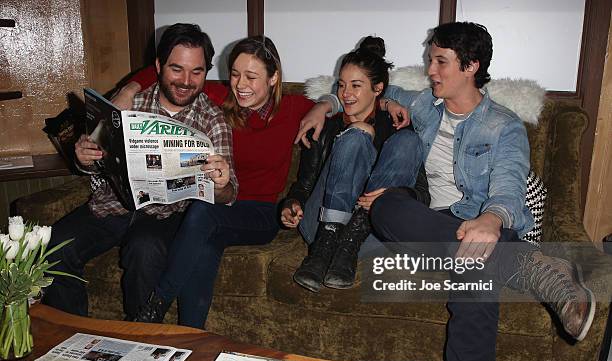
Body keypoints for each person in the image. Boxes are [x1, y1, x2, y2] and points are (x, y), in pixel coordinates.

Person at [298, 22, 595, 361]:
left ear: (471, 66)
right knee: (388, 205)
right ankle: (531, 267)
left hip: (474, 226)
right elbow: (365, 89)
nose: (430, 71)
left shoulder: (504, 125)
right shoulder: (423, 104)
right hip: (415, 224)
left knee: (475, 267)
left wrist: (491, 219)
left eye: (440, 62)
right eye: (430, 60)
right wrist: (325, 105)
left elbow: (508, 181)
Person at [113, 35, 315, 326]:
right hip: (218, 206)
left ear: (273, 78)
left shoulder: (294, 108)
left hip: (260, 213)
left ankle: (158, 303)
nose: (240, 85)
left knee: (203, 209)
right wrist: (128, 89)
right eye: (234, 74)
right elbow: (163, 73)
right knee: (204, 247)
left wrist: (324, 106)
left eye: (251, 77)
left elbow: (345, 102)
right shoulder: (220, 98)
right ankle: (191, 338)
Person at [43, 23, 237, 317]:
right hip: (112, 205)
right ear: (158, 66)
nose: (186, 81)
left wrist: (221, 185)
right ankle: (71, 332)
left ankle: (142, 341)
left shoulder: (213, 120)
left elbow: (229, 194)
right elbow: (95, 161)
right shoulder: (125, 105)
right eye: (176, 69)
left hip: (165, 214)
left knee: (145, 250)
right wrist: (84, 157)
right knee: (54, 246)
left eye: (196, 71)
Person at [280, 36, 429, 292]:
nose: (346, 94)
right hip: (319, 226)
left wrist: (393, 194)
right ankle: (325, 247)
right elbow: (303, 187)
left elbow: (422, 196)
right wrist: (290, 205)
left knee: (410, 141)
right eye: (341, 85)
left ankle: (347, 245)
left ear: (378, 88)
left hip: (368, 231)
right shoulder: (324, 125)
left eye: (356, 85)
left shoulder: (397, 126)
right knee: (357, 135)